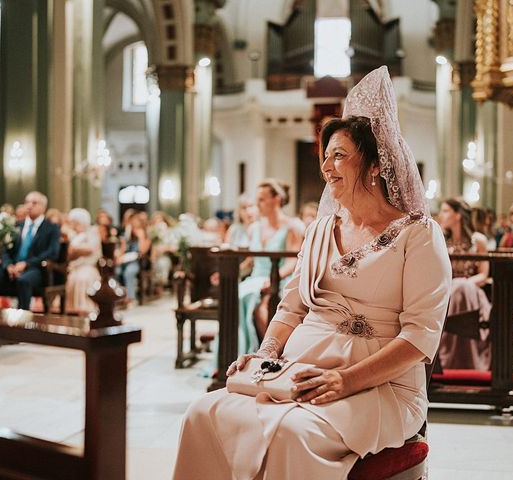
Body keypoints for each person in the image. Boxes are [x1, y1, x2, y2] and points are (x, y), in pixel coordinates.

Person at [173, 66, 451, 479]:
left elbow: (418, 339)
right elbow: (291, 306)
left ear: (375, 165)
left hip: (380, 388)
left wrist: (345, 381)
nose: (327, 166)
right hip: (298, 372)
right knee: (204, 412)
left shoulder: (418, 235)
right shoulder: (320, 229)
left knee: (292, 433)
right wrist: (266, 355)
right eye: (324, 156)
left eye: (339, 155)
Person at [238, 178, 303, 351]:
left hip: (279, 279)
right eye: (257, 200)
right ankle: (237, 351)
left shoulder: (292, 227)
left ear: (277, 199)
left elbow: (293, 260)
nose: (257, 204)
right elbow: (250, 260)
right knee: (237, 294)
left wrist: (273, 278)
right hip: (255, 278)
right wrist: (234, 270)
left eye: (262, 199)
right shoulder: (254, 228)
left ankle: (269, 351)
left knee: (261, 305)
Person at [438, 197, 491, 370]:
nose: (441, 216)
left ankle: (470, 358)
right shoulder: (440, 239)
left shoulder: (478, 240)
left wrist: (462, 283)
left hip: (473, 291)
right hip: (447, 291)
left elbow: (483, 275)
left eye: (445, 211)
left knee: (462, 288)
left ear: (458, 215)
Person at [0, 191, 61, 310]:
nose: (29, 205)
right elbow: (5, 250)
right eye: (27, 202)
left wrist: (26, 264)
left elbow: (52, 252)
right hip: (13, 267)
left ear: (43, 207)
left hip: (36, 268)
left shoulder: (51, 228)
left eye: (34, 203)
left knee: (23, 280)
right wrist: (9, 265)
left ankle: (23, 319)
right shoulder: (16, 225)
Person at [65, 208, 101, 315]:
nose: (74, 226)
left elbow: (90, 249)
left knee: (82, 277)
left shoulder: (92, 232)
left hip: (88, 266)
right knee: (73, 277)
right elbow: (69, 253)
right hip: (74, 267)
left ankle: (86, 308)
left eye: (76, 223)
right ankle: (72, 308)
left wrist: (76, 249)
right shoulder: (72, 235)